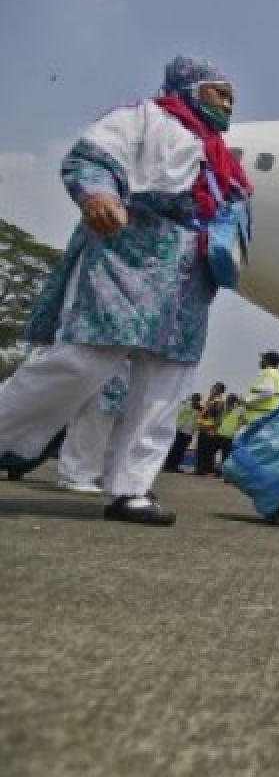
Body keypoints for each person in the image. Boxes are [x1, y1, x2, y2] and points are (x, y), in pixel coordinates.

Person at [0, 55, 252, 525]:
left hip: (188, 279)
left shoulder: (219, 154)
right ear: (191, 88)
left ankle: (132, 488)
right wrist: (97, 194)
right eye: (221, 92)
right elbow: (90, 158)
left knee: (165, 381)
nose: (230, 103)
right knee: (83, 360)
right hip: (130, 250)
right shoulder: (143, 117)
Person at [56, 368, 128, 494]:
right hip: (111, 362)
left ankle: (107, 474)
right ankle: (77, 473)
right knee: (95, 419)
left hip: (133, 363)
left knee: (121, 423)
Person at [193, 381, 226, 476]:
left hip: (209, 429)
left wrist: (213, 429)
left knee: (205, 450)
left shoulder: (219, 401)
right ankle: (200, 469)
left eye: (215, 387)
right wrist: (199, 408)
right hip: (203, 427)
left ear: (220, 390)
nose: (212, 388)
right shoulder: (210, 400)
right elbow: (205, 412)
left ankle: (201, 470)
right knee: (201, 449)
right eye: (213, 387)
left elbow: (218, 417)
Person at [164, 393, 203, 472]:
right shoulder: (185, 405)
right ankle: (168, 465)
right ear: (192, 398)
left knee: (181, 450)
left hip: (189, 433)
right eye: (195, 399)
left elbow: (197, 421)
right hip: (180, 430)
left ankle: (174, 466)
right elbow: (178, 415)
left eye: (198, 399)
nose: (196, 401)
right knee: (175, 449)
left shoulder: (199, 409)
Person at [243, 351, 279, 424]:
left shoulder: (269, 372)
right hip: (268, 416)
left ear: (267, 361)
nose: (260, 362)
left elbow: (268, 392)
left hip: (258, 417)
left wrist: (247, 401)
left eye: (262, 359)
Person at [213, 393, 245, 474]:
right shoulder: (239, 409)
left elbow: (218, 418)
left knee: (218, 453)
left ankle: (218, 471)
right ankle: (222, 472)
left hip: (221, 433)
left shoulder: (224, 407)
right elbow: (243, 421)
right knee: (225, 455)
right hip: (228, 435)